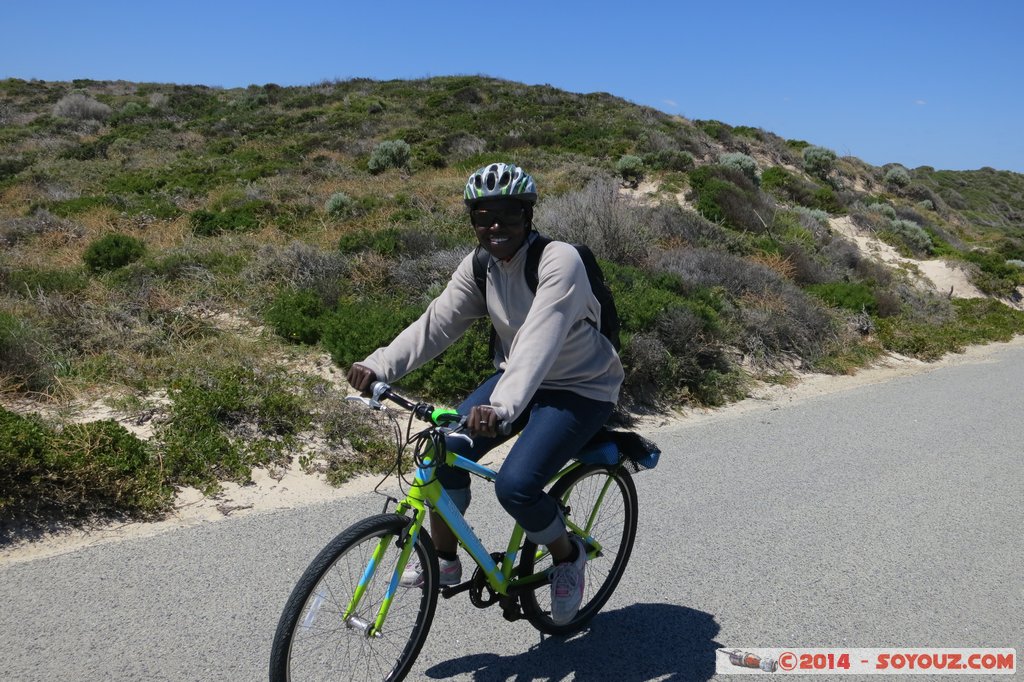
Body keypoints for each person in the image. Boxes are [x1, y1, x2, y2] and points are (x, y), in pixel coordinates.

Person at [346, 162, 624, 625]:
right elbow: (436, 324)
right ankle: (444, 558)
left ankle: (566, 555)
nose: (495, 226)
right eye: (482, 216)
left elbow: (540, 337)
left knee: (517, 486)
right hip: (516, 378)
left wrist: (500, 408)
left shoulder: (559, 261)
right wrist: (378, 365)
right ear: (472, 220)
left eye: (508, 215)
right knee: (440, 451)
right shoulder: (481, 266)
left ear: (528, 216)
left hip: (580, 387)